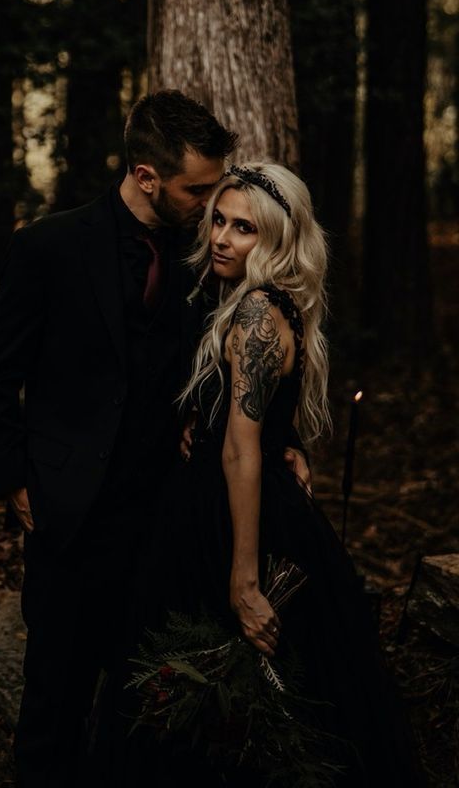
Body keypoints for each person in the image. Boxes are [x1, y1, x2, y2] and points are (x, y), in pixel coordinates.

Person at [0, 94, 311, 787]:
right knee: (54, 704)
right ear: (147, 175)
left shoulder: (208, 256)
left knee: (146, 705)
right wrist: (11, 482)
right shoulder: (48, 245)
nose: (211, 204)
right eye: (196, 189)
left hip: (165, 521)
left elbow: (243, 371)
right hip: (69, 515)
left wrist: (286, 438)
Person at [93, 161, 418, 787]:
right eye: (218, 218)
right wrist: (208, 421)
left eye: (244, 229)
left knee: (240, 708)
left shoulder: (255, 313)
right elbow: (256, 419)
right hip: (221, 502)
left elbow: (242, 450)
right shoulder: (259, 303)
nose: (221, 237)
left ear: (274, 242)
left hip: (231, 518)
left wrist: (243, 582)